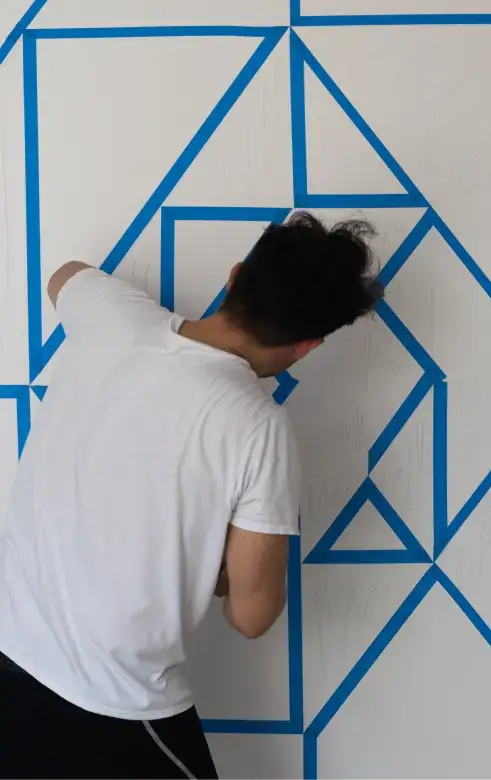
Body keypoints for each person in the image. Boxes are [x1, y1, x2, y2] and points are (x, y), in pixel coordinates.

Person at [0, 211, 382, 778]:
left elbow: (64, 276)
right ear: (309, 346)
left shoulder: (112, 317)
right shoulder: (258, 427)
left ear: (234, 277)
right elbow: (251, 615)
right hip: (110, 702)